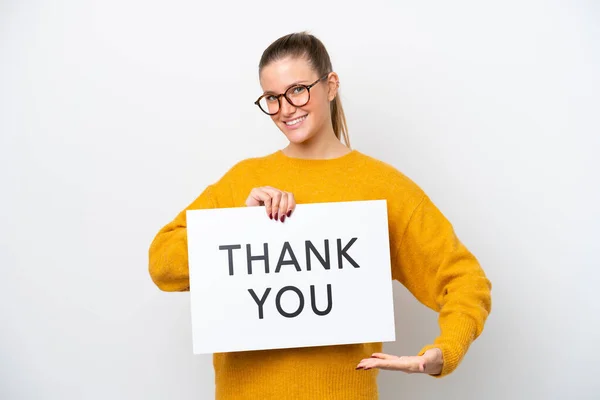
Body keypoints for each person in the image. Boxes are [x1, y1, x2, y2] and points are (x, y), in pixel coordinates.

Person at [148, 31, 492, 400]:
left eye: (297, 90)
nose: (285, 108)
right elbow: (162, 265)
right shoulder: (243, 181)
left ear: (330, 85)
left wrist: (442, 354)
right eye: (271, 98)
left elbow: (465, 281)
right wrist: (236, 226)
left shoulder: (383, 187)